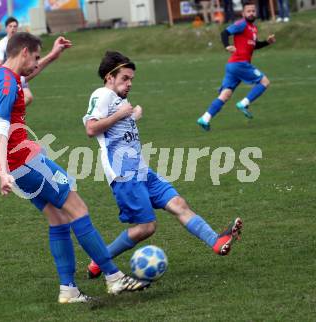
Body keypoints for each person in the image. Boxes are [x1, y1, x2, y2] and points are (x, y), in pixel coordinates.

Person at [0, 32, 150, 303]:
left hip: (19, 164)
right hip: (24, 161)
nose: (35, 63)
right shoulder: (6, 85)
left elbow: (24, 77)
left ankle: (68, 290)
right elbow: (0, 128)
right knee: (78, 209)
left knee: (57, 218)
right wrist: (2, 170)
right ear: (23, 51)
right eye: (35, 57)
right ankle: (114, 277)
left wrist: (52, 57)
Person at [83, 51, 243, 279]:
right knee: (146, 228)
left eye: (131, 79)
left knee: (178, 203)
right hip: (124, 175)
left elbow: (117, 125)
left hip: (142, 170)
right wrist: (121, 114)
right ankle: (100, 259)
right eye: (125, 78)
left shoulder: (119, 100)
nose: (129, 84)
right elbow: (91, 129)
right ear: (110, 77)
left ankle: (217, 242)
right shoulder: (102, 95)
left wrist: (131, 116)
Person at [0, 17, 65, 136]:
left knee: (27, 97)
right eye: (10, 26)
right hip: (7, 78)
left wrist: (52, 55)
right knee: (1, 104)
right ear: (6, 28)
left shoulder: (21, 42)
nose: (13, 29)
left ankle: (1, 114)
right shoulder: (1, 45)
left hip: (15, 75)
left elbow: (28, 70)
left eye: (15, 26)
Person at [197, 1, 276, 131]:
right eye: (248, 11)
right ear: (243, 13)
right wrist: (227, 46)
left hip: (233, 66)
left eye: (253, 11)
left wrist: (267, 42)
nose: (251, 13)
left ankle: (205, 118)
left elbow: (254, 45)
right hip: (240, 63)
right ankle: (243, 103)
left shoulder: (253, 28)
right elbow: (224, 33)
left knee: (225, 94)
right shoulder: (241, 24)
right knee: (264, 82)